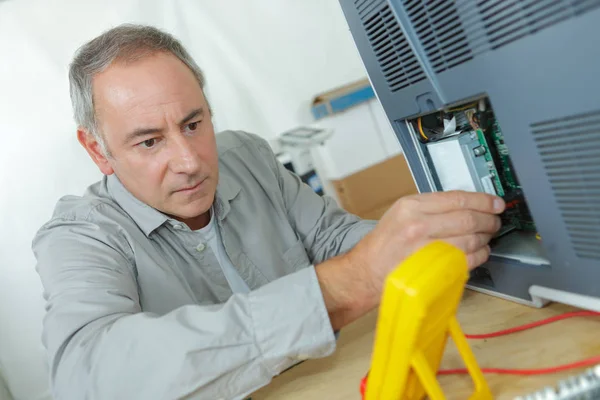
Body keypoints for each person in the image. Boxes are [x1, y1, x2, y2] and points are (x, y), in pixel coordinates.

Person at [32, 24, 505, 400]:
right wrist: (345, 284)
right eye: (149, 141)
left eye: (194, 123)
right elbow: (86, 377)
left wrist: (425, 238)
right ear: (97, 150)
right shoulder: (78, 236)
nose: (190, 160)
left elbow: (331, 237)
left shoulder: (246, 156)